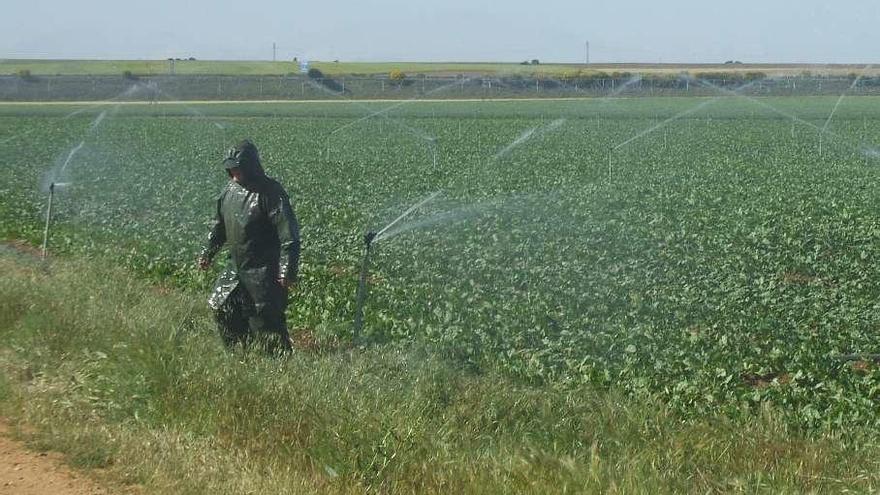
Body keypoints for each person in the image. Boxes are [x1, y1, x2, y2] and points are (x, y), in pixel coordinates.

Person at [198, 139, 300, 354]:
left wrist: (286, 270)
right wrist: (208, 252)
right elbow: (219, 226)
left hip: (263, 271)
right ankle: (240, 353)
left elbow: (288, 233)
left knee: (265, 322)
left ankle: (278, 367)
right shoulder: (229, 191)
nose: (235, 173)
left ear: (251, 166)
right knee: (222, 307)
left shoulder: (270, 192)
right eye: (231, 169)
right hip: (236, 267)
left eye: (238, 168)